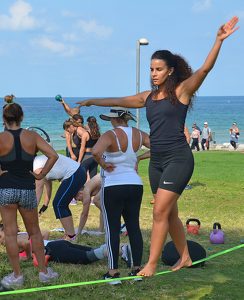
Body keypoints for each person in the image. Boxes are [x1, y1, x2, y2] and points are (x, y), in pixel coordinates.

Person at [76, 17, 239, 277]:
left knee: (159, 211)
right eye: (151, 69)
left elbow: (204, 70)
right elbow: (120, 100)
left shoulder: (182, 92)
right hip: (157, 161)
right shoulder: (148, 97)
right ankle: (185, 256)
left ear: (170, 71)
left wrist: (218, 40)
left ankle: (150, 263)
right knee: (170, 213)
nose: (154, 73)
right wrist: (91, 101)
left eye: (159, 69)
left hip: (178, 158)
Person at [0, 94, 59, 288]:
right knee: (35, 233)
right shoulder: (32, 136)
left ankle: (17, 276)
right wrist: (41, 175)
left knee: (12, 234)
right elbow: (53, 155)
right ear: (22, 118)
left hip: (5, 189)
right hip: (27, 190)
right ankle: (43, 273)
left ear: (4, 119)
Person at [91, 106, 150, 283]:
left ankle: (113, 273)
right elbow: (159, 148)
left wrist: (103, 164)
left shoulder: (110, 134)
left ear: (114, 119)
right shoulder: (139, 133)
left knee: (112, 228)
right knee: (133, 227)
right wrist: (139, 158)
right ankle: (137, 270)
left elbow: (95, 152)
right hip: (135, 184)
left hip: (114, 184)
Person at [0, 222, 132, 267]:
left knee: (88, 258)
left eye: (0, 236)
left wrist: (27, 256)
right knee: (94, 250)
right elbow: (45, 233)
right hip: (58, 244)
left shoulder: (14, 241)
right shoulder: (23, 234)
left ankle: (121, 251)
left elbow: (25, 244)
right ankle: (124, 246)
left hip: (54, 251)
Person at [34, 154, 87, 242]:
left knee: (59, 204)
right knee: (61, 204)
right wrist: (45, 205)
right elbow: (48, 185)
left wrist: (34, 208)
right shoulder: (41, 163)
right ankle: (70, 235)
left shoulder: (36, 164)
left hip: (75, 173)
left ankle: (71, 237)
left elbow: (39, 186)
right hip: (78, 172)